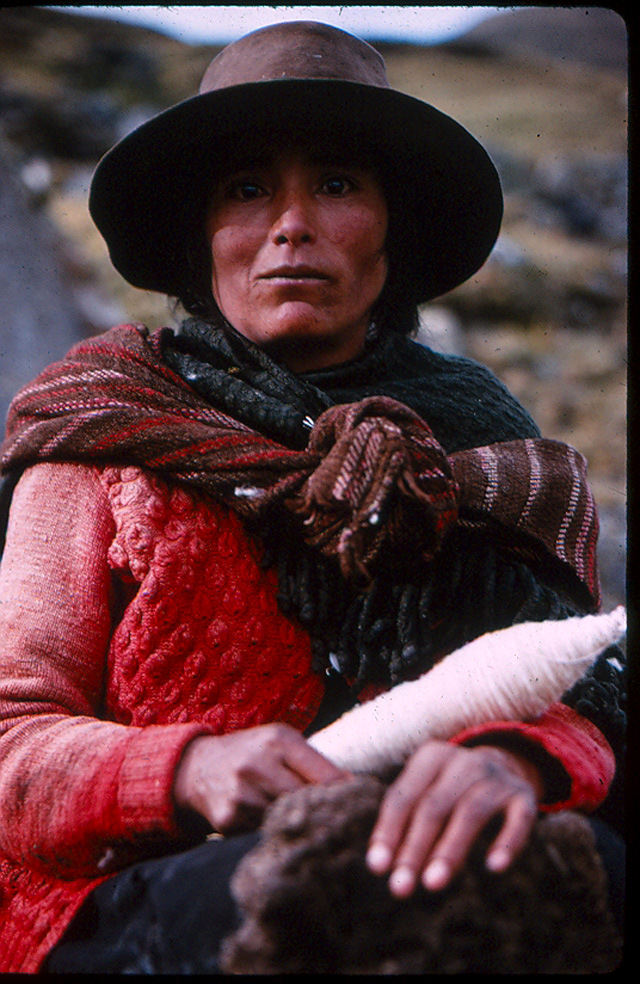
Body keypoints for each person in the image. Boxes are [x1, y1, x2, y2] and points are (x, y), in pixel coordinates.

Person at [0, 21, 625, 974]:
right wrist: (187, 767)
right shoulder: (101, 432)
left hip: (416, 856)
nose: (291, 223)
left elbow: (588, 700)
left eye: (337, 186)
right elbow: (12, 741)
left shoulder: (482, 454)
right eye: (247, 190)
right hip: (130, 890)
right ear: (201, 237)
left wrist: (512, 760)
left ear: (394, 227)